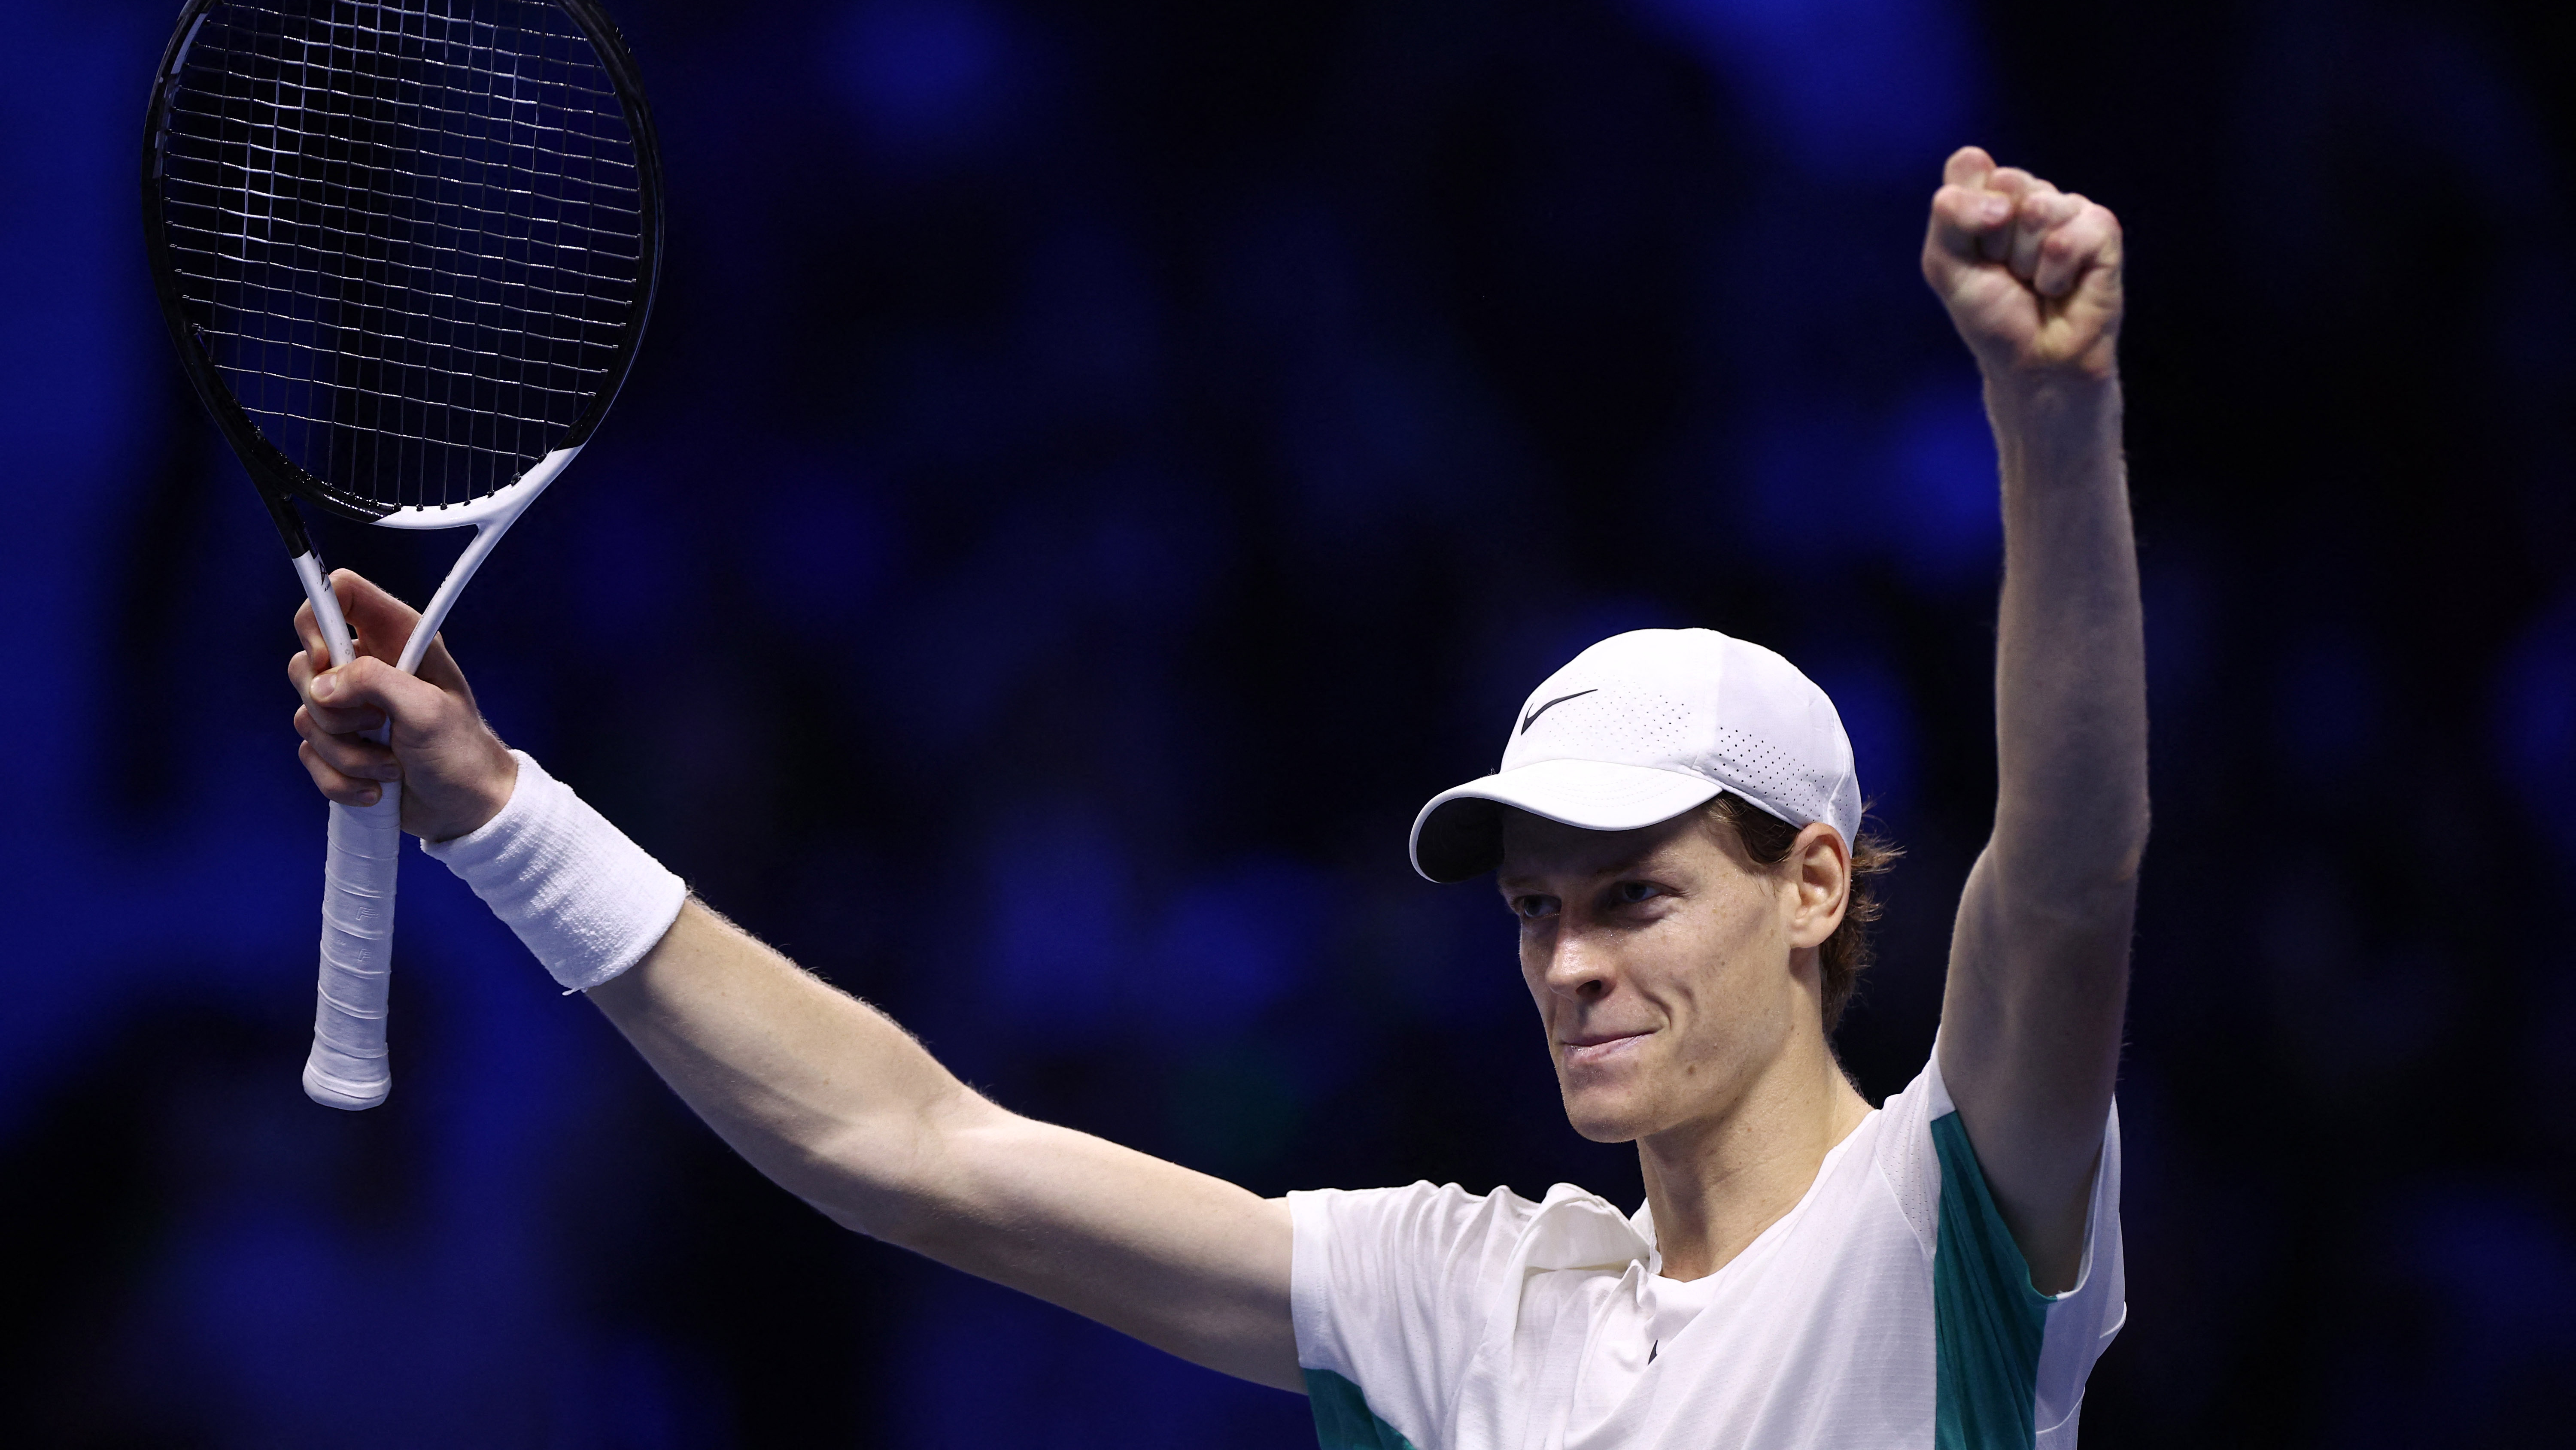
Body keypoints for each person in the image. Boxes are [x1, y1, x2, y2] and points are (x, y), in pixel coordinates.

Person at [289, 146, 2145, 1448]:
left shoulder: (1936, 1224)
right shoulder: (1457, 1297)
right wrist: (498, 809)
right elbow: (923, 1152)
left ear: (1814, 886)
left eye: (1637, 895)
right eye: (1535, 910)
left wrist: (2053, 430)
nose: (1568, 962)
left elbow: (2060, 885)